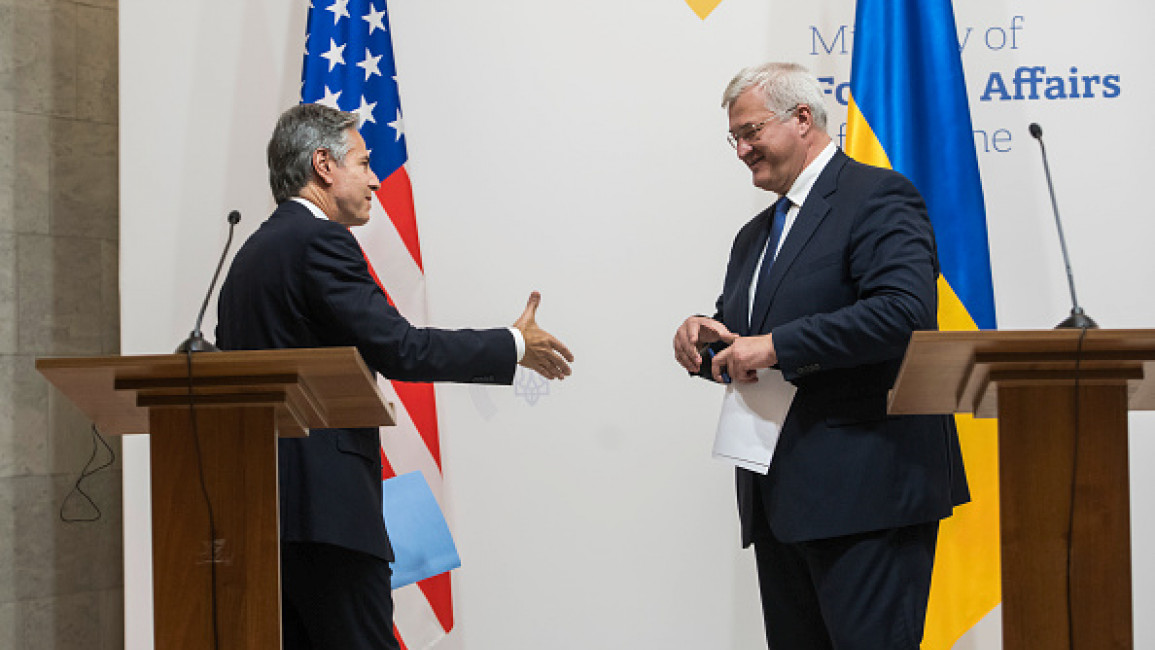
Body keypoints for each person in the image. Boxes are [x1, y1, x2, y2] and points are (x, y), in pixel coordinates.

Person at [216, 103, 574, 650]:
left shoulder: (250, 257)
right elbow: (402, 349)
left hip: (262, 516)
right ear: (323, 165)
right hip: (328, 516)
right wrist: (513, 343)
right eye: (362, 162)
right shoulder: (320, 241)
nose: (376, 178)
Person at [672, 62, 969, 649]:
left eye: (751, 131)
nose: (742, 149)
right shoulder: (754, 235)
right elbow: (745, 346)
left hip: (869, 496)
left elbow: (903, 314)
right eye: (735, 137)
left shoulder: (880, 197)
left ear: (802, 118)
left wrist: (777, 345)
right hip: (780, 499)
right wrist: (704, 343)